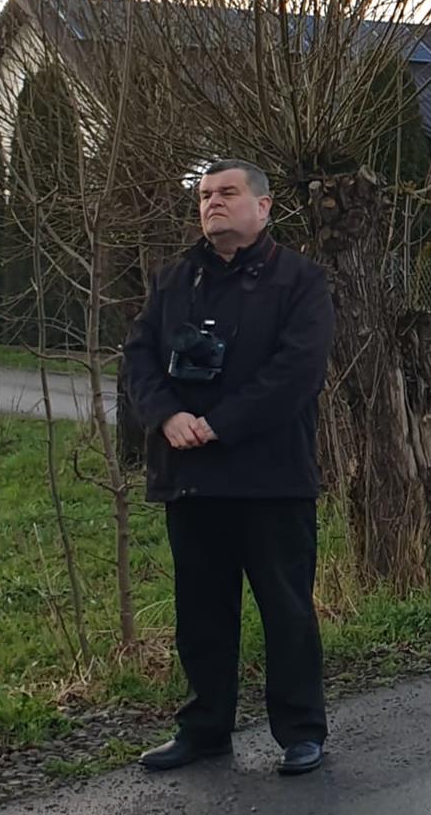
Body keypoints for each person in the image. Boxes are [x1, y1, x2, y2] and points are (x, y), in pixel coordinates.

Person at [121, 159, 334, 776]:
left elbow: (297, 372)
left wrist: (220, 423)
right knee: (201, 612)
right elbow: (138, 358)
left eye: (227, 193)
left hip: (272, 477)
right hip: (190, 475)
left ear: (263, 207)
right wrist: (166, 416)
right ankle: (204, 728)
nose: (212, 202)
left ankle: (300, 731)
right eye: (205, 195)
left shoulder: (301, 281)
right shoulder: (172, 280)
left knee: (286, 610)